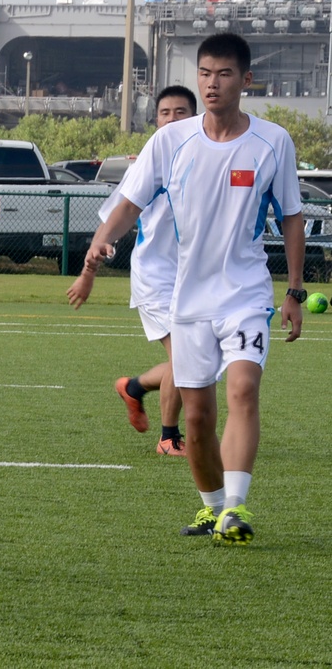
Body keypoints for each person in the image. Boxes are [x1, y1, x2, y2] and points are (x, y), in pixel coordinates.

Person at [83, 33, 304, 545]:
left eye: (224, 74)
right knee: (199, 417)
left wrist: (293, 292)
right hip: (189, 300)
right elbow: (130, 203)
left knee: (244, 390)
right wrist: (100, 241)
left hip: (247, 294)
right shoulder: (170, 140)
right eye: (205, 73)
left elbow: (292, 216)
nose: (212, 83)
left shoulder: (273, 142)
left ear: (246, 81)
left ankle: (236, 508)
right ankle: (210, 507)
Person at [67, 85, 197, 457]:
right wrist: (88, 272)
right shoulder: (149, 162)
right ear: (156, 120)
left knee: (201, 360)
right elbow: (116, 216)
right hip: (157, 276)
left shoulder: (206, 157)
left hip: (196, 278)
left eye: (182, 112)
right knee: (185, 356)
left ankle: (135, 387)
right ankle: (169, 438)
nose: (173, 119)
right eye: (166, 112)